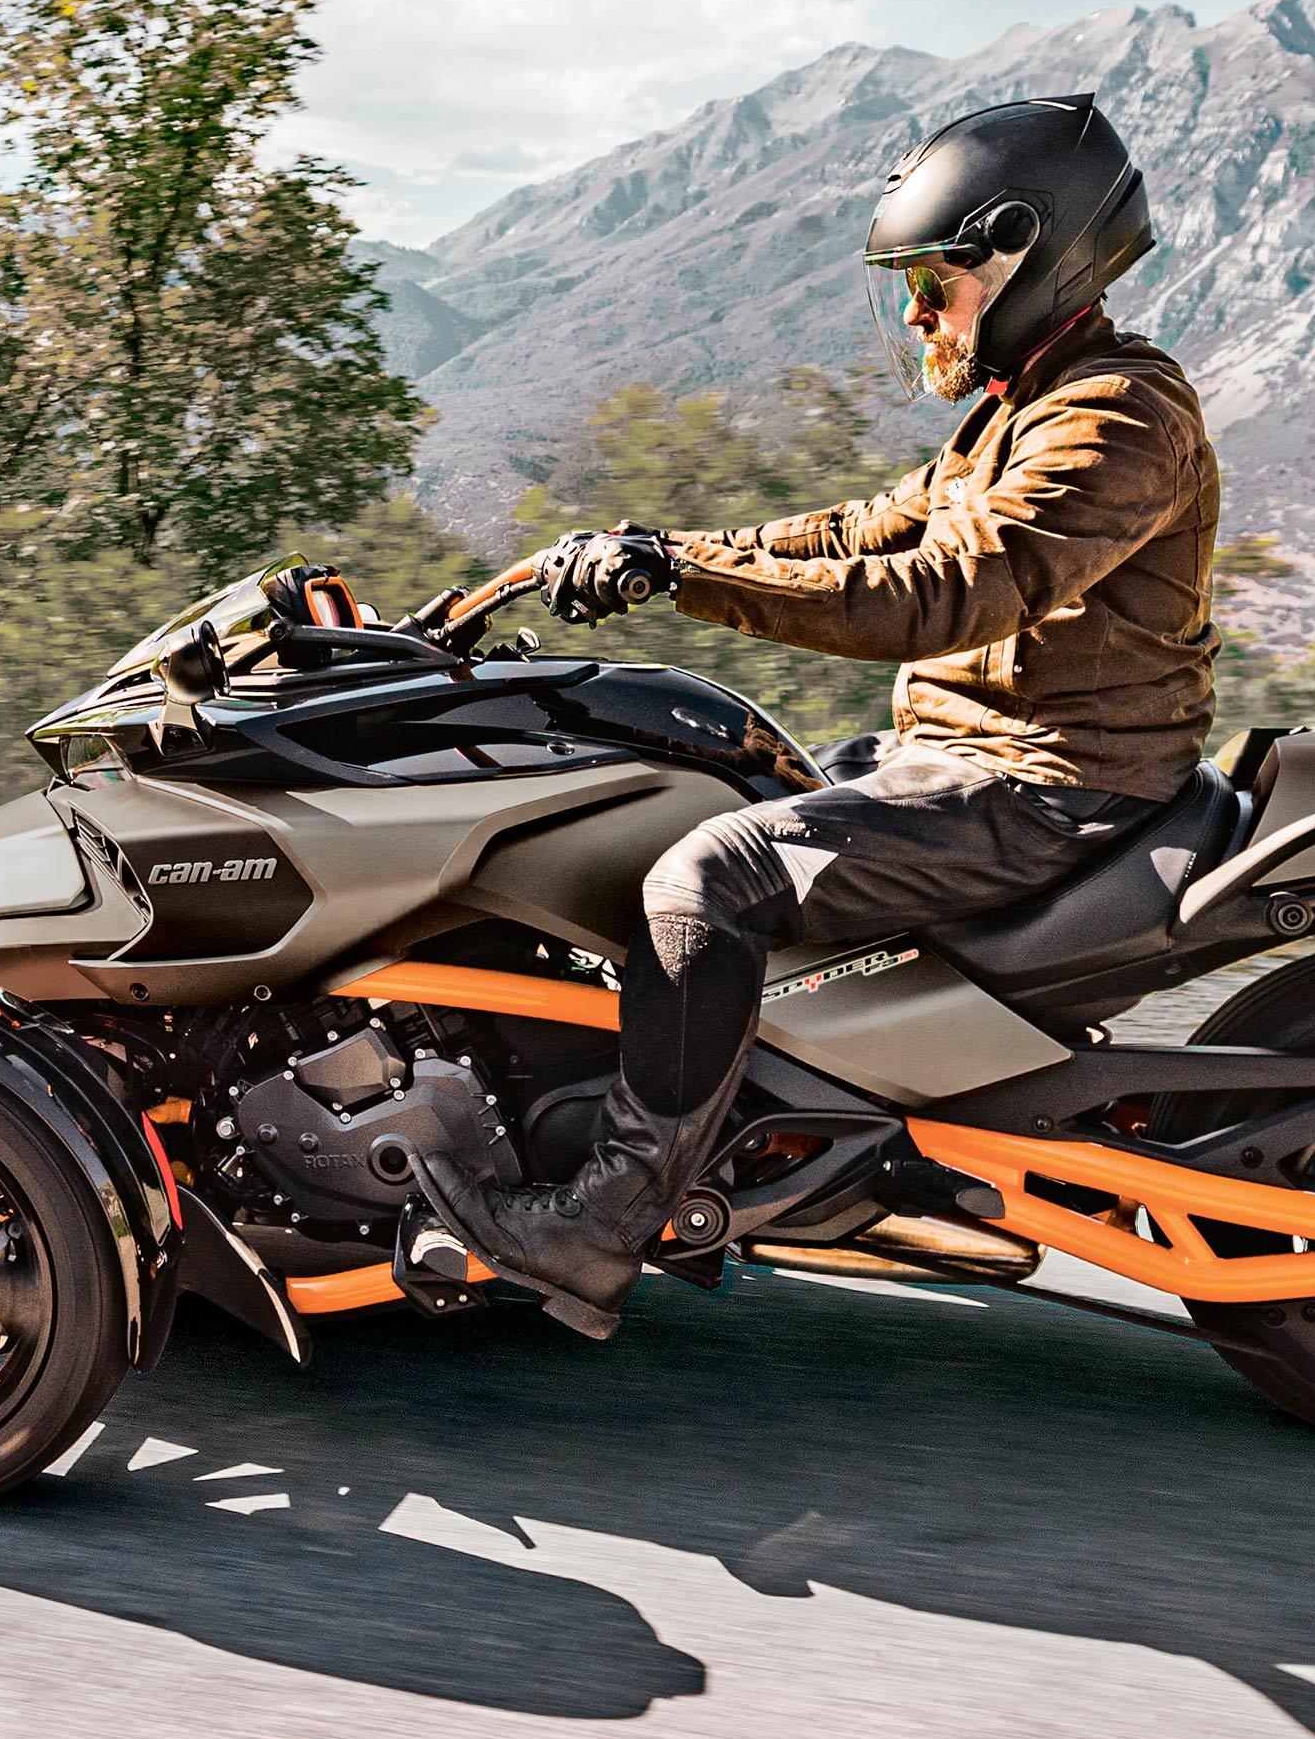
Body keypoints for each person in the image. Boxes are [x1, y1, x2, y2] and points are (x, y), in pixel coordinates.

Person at [415, 91, 1225, 1337]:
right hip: (969, 756)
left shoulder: (1115, 416)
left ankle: (598, 1223)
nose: (915, 311)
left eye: (934, 280)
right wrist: (651, 548)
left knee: (705, 880)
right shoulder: (1021, 408)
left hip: (1044, 781)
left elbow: (945, 592)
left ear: (1030, 255)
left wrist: (682, 581)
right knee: (688, 777)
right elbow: (853, 532)